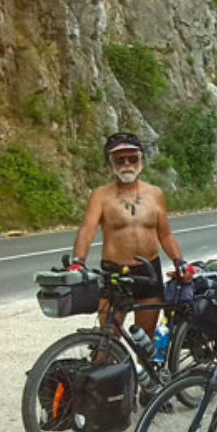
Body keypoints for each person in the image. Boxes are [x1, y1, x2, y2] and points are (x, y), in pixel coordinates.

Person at [70, 132, 188, 338]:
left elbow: (166, 235)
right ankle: (108, 367)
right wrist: (78, 261)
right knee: (107, 340)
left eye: (132, 158)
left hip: (148, 271)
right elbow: (87, 230)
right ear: (111, 163)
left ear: (141, 161)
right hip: (114, 273)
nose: (127, 164)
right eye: (120, 159)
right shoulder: (100, 195)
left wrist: (180, 262)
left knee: (145, 338)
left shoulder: (156, 194)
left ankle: (143, 371)